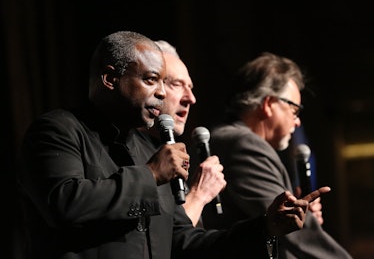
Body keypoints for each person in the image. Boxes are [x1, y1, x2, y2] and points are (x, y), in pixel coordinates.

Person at [16, 31, 326, 259]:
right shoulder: (58, 130)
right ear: (111, 79)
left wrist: (265, 228)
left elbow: (183, 244)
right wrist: (150, 176)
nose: (162, 94)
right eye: (151, 80)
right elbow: (63, 203)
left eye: (167, 83)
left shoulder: (146, 150)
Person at [203, 52, 353, 258]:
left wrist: (300, 212)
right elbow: (288, 229)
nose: (297, 121)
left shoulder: (227, 137)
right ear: (268, 104)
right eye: (294, 110)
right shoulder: (243, 144)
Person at [128, 40, 226, 227]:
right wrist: (199, 195)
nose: (191, 98)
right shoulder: (131, 153)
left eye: (190, 87)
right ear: (151, 85)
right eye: (177, 84)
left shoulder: (165, 150)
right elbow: (165, 241)